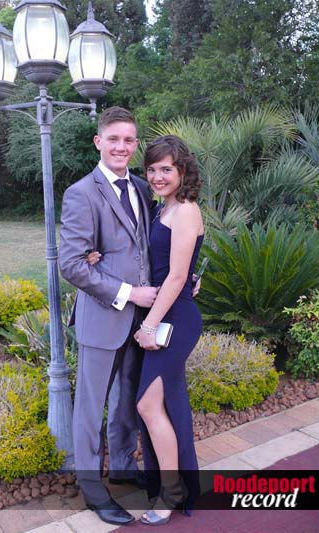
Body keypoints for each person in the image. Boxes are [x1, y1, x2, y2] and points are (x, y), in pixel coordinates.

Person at [86, 135, 204, 525]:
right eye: (151, 169)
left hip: (175, 319)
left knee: (147, 405)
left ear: (182, 170)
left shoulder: (185, 210)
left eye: (166, 169)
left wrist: (150, 325)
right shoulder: (160, 207)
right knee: (168, 405)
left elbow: (177, 276)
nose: (157, 176)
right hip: (160, 314)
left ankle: (171, 493)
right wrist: (96, 255)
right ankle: (177, 486)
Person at [58, 106, 156, 526]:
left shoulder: (143, 188)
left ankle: (122, 465)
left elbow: (146, 248)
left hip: (141, 320)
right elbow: (72, 264)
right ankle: (93, 490)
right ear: (98, 142)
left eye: (128, 140)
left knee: (127, 400)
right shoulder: (81, 193)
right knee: (91, 406)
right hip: (103, 317)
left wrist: (182, 279)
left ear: (135, 144)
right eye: (113, 139)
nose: (121, 146)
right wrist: (128, 292)